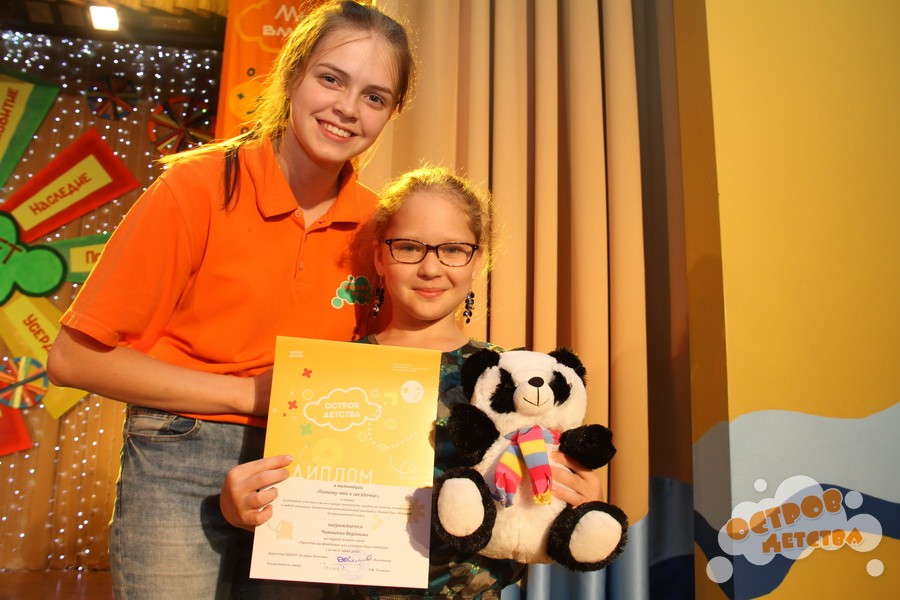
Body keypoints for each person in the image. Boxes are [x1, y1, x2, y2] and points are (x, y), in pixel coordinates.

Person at [45, 2, 416, 598]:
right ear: (291, 76)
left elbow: (397, 367)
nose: (348, 108)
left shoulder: (381, 225)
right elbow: (73, 359)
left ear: (391, 113)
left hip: (317, 468)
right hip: (181, 458)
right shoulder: (195, 188)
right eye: (331, 79)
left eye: (374, 97)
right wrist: (251, 395)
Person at [220, 167, 607, 599]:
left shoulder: (510, 379)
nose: (430, 268)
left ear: (478, 260)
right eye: (408, 247)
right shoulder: (325, 372)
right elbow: (288, 501)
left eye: (453, 250)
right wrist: (243, 508)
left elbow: (539, 502)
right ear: (379, 257)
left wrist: (575, 496)